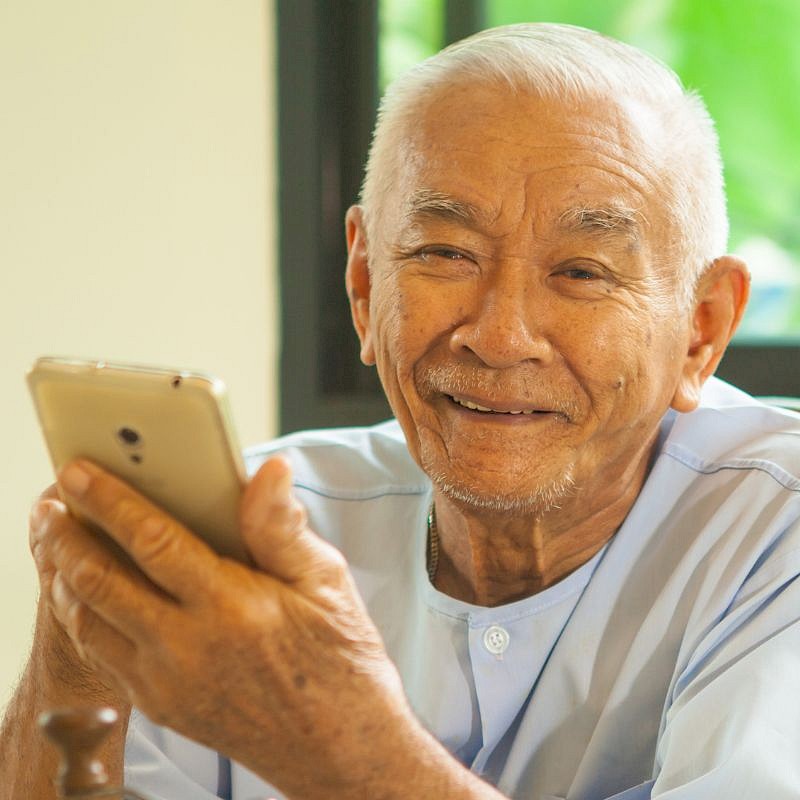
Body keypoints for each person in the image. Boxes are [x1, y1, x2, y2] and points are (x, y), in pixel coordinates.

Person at [2, 22, 799, 800]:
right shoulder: (259, 531)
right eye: (445, 254)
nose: (499, 336)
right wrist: (76, 660)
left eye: (583, 272)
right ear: (362, 284)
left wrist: (336, 741)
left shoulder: (775, 532)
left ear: (702, 330)